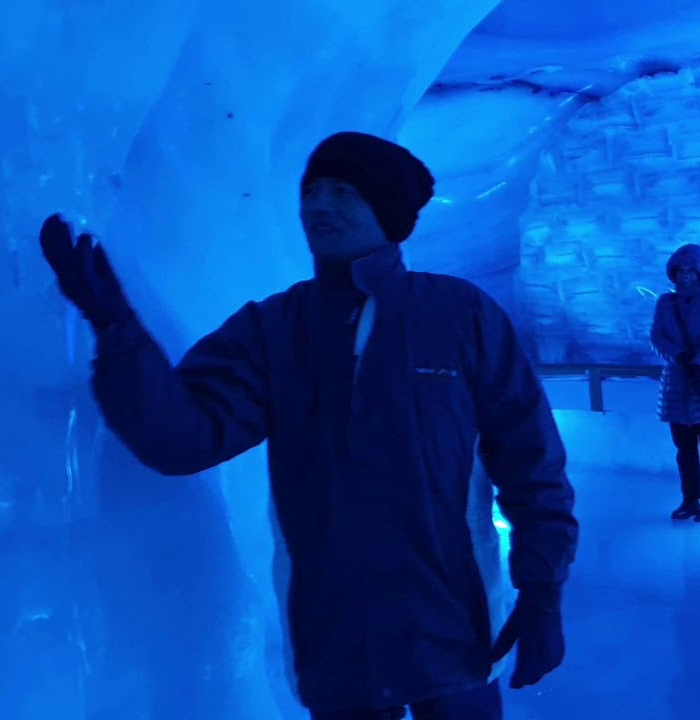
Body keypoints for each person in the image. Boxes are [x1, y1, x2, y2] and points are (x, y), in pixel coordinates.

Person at [37, 131, 579, 720]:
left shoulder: (461, 316)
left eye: (344, 191)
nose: (319, 205)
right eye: (312, 190)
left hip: (455, 629)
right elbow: (183, 438)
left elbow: (532, 463)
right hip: (337, 641)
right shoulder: (273, 330)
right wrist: (117, 331)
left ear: (388, 209)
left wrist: (543, 591)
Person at [649, 243, 700, 523]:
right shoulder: (664, 302)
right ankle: (689, 499)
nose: (685, 276)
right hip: (676, 383)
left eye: (691, 270)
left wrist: (699, 361)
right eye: (680, 270)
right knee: (684, 448)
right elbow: (657, 337)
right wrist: (679, 356)